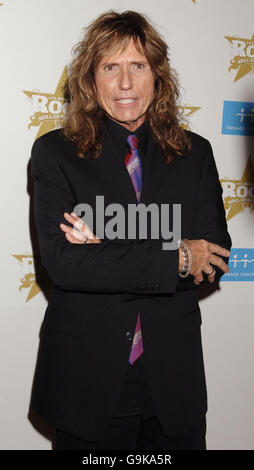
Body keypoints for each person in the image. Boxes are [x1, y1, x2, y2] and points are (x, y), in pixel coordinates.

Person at [30, 10, 231, 450]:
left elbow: (213, 258)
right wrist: (176, 256)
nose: (125, 84)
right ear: (90, 80)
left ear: (157, 76)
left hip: (173, 383)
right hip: (87, 379)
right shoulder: (54, 154)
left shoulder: (195, 153)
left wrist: (108, 247)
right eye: (110, 67)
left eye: (137, 66)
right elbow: (65, 266)